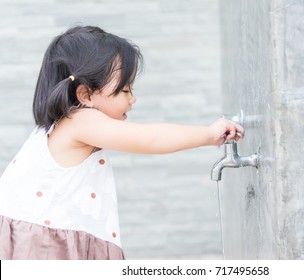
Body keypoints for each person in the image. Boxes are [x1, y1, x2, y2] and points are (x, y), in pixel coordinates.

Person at [0, 26, 244, 260]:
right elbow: (151, 138)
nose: (133, 99)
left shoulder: (63, 125)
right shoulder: (80, 121)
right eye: (125, 90)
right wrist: (209, 134)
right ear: (85, 95)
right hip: (44, 247)